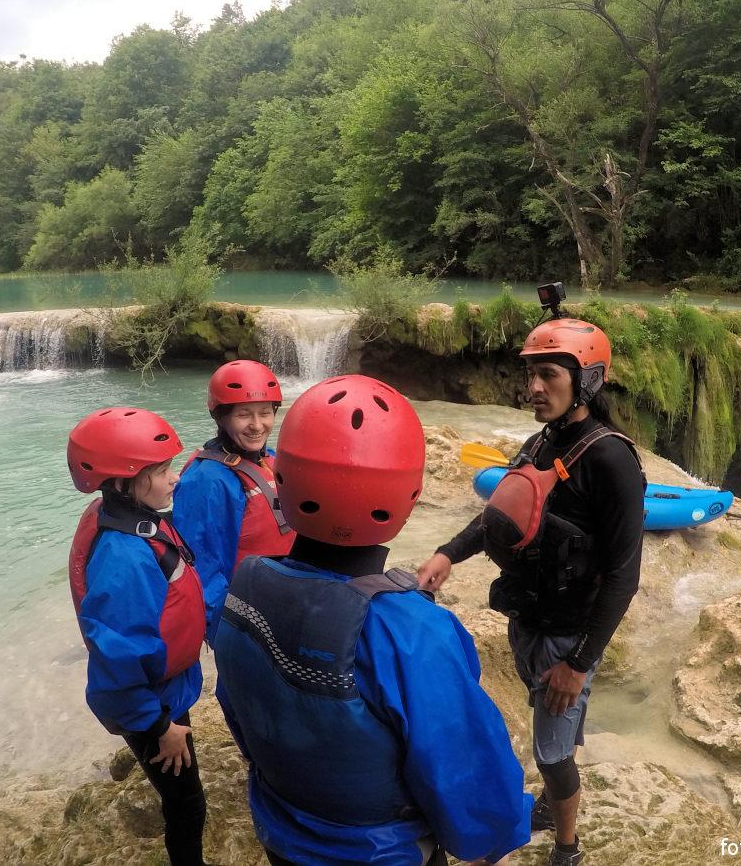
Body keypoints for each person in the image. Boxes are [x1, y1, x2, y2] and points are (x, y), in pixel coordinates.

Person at [211, 374, 531, 865]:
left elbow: (237, 709)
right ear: (408, 494)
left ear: (283, 478)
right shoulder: (413, 630)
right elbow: (465, 769)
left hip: (282, 833)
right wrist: (494, 839)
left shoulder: (245, 587)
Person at [418, 318, 645, 866]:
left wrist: (579, 664)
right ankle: (554, 795)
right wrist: (447, 554)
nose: (534, 388)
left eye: (549, 375)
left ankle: (567, 847)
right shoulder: (539, 443)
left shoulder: (612, 461)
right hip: (528, 618)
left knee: (551, 752)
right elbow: (498, 517)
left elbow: (624, 577)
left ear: (586, 381)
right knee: (552, 725)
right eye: (531, 375)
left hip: (568, 635)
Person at [66, 407, 209, 866]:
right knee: (188, 805)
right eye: (163, 470)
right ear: (123, 481)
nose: (174, 478)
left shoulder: (129, 516)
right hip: (151, 706)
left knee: (185, 795)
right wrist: (159, 727)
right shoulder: (124, 558)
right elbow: (116, 664)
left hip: (163, 692)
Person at [173, 359, 295, 638]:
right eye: (243, 415)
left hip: (283, 609)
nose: (257, 425)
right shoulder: (207, 481)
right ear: (221, 417)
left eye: (265, 413)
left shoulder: (270, 459)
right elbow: (202, 571)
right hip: (245, 624)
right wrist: (227, 635)